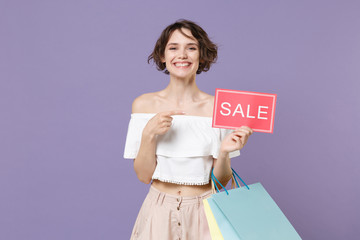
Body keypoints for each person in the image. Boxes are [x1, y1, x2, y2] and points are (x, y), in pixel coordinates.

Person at [123, 19, 253, 240]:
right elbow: (144, 176)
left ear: (201, 55)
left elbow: (220, 184)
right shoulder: (143, 105)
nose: (182, 55)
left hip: (206, 210)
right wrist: (148, 134)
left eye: (191, 48)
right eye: (173, 48)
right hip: (158, 209)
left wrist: (224, 151)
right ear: (163, 56)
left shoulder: (219, 108)